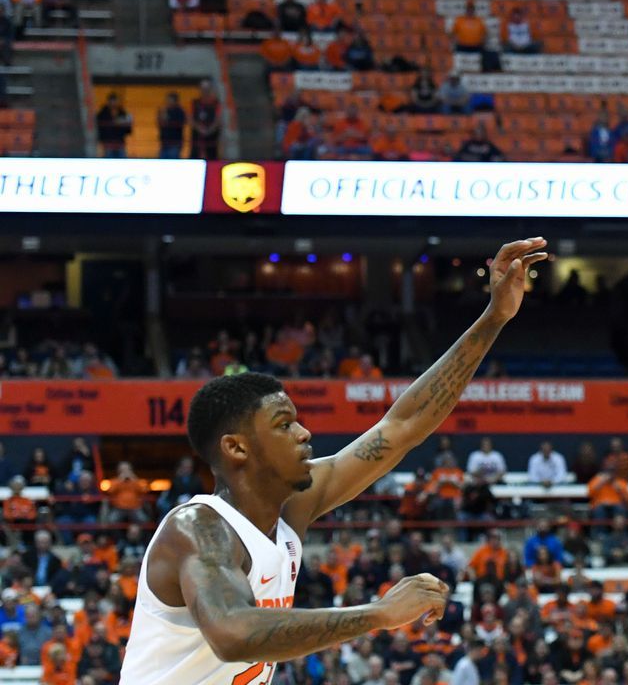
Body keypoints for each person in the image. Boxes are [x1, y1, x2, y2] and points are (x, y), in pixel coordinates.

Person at [119, 238, 548, 683]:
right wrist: (377, 614)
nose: (304, 433)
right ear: (237, 448)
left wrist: (493, 318)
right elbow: (234, 634)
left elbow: (402, 427)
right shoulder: (198, 527)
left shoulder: (291, 509)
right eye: (284, 425)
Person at [191, 79, 222, 161]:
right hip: (197, 137)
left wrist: (209, 130)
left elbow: (218, 118)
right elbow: (190, 119)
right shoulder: (195, 103)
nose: (205, 91)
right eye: (203, 89)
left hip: (212, 137)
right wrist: (200, 129)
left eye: (207, 89)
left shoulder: (216, 103)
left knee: (212, 156)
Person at [97, 92, 133, 158]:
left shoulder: (122, 112)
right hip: (108, 143)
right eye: (111, 101)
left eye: (115, 101)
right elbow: (99, 127)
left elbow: (128, 129)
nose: (113, 103)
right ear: (108, 101)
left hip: (120, 142)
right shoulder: (102, 113)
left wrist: (125, 123)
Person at [157, 92, 188, 158]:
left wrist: (167, 120)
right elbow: (160, 124)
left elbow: (180, 124)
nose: (168, 102)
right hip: (164, 143)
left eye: (170, 100)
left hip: (175, 143)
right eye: (167, 100)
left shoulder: (180, 112)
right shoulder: (164, 111)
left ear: (175, 101)